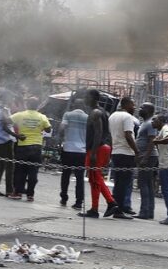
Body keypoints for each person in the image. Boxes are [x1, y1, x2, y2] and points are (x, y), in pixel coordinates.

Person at [78, 89, 123, 219]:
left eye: (87, 96)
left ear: (93, 98)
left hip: (97, 149)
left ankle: (109, 202)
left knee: (95, 177)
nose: (85, 99)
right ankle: (97, 207)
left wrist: (93, 152)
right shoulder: (101, 112)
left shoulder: (96, 113)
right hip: (101, 148)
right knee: (94, 178)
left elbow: (98, 133)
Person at [10, 96, 50, 202]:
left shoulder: (20, 115)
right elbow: (48, 129)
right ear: (37, 106)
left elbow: (5, 122)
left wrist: (16, 135)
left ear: (27, 104)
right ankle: (30, 195)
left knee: (20, 171)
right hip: (36, 146)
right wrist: (39, 127)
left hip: (23, 146)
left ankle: (18, 193)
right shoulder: (42, 117)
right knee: (33, 171)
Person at [108, 96, 139, 216]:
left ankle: (114, 206)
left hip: (116, 152)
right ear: (126, 105)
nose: (134, 107)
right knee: (124, 183)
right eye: (133, 104)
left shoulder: (112, 116)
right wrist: (137, 151)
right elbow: (128, 135)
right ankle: (119, 210)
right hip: (126, 153)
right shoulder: (127, 117)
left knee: (118, 182)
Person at [58, 97, 87, 209]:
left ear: (74, 105)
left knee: (65, 174)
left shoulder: (68, 115)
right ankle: (79, 201)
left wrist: (61, 138)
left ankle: (64, 197)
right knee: (80, 177)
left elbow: (62, 127)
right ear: (83, 107)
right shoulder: (87, 118)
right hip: (81, 151)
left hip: (68, 149)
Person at [0, 92, 17, 197]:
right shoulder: (2, 110)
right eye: (11, 98)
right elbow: (6, 126)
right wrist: (17, 136)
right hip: (4, 140)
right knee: (10, 166)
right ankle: (9, 190)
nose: (12, 100)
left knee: (0, 165)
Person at [135, 102, 158, 219]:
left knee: (143, 183)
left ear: (149, 110)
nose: (140, 109)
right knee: (148, 184)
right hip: (146, 156)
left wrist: (145, 157)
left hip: (148, 157)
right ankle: (149, 212)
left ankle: (144, 211)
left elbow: (152, 141)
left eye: (142, 107)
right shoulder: (145, 123)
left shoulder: (150, 124)